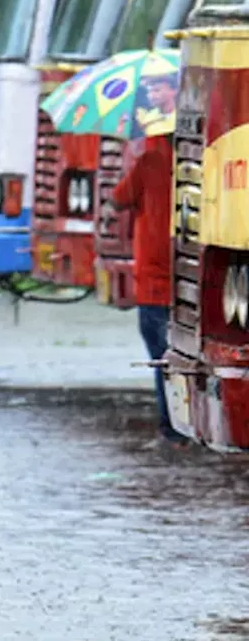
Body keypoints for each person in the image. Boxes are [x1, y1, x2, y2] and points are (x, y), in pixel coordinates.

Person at [110, 133, 185, 445]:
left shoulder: (151, 160)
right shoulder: (204, 160)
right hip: (188, 279)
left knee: (161, 359)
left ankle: (172, 431)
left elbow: (118, 198)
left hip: (154, 282)